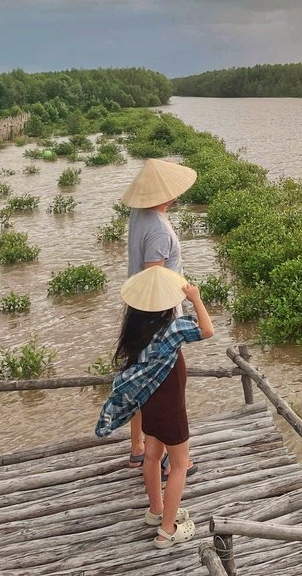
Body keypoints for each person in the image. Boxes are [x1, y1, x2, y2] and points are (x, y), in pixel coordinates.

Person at [96, 265, 215, 550]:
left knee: (151, 456)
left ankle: (156, 510)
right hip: (172, 410)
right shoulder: (173, 328)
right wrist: (195, 298)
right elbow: (208, 330)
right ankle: (167, 530)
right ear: (167, 304)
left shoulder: (136, 332)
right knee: (179, 466)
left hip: (149, 406)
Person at [121, 158, 198, 474]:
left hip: (137, 312)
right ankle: (169, 457)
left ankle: (138, 447)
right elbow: (154, 280)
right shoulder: (159, 230)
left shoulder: (139, 216)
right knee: (166, 387)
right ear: (169, 193)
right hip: (159, 318)